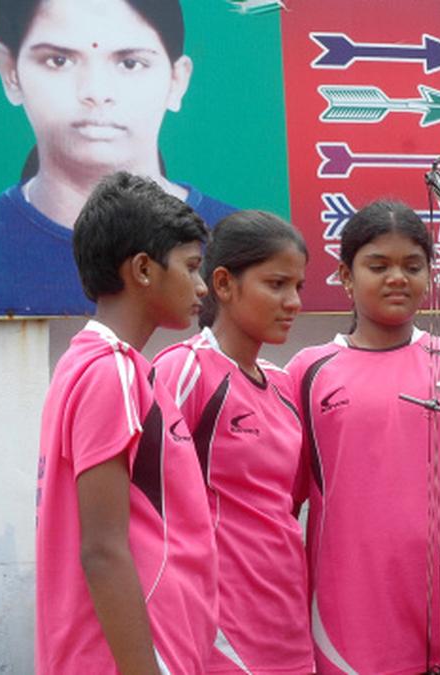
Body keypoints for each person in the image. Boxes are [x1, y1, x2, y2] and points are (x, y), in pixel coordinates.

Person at [285, 199, 440, 674]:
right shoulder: (307, 373)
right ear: (345, 276)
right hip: (351, 629)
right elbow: (277, 504)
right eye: (377, 265)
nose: (397, 277)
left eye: (412, 265)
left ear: (431, 275)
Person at [35, 171, 216, 673]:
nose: (202, 286)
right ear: (142, 269)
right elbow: (101, 549)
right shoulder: (109, 371)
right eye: (192, 266)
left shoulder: (106, 366)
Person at [0, 0, 235, 316]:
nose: (96, 92)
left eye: (130, 64)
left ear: (177, 80)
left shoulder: (237, 246)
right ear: (10, 73)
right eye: (58, 61)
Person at [152, 211, 312, 673]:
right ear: (223, 284)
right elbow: (143, 509)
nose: (294, 301)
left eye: (298, 286)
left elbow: (285, 509)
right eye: (277, 284)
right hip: (218, 629)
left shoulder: (284, 387)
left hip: (287, 624)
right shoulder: (184, 370)